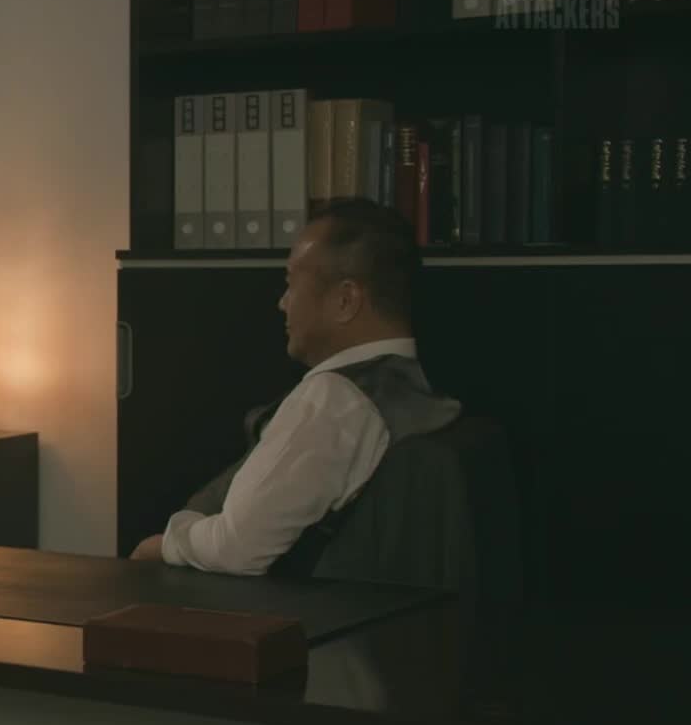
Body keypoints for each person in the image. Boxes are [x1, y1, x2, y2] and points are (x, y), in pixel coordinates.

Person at [129, 198, 461, 577]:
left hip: (272, 608)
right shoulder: (415, 389)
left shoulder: (335, 400)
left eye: (291, 284)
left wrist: (162, 546)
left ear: (345, 300)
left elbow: (237, 548)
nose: (282, 303)